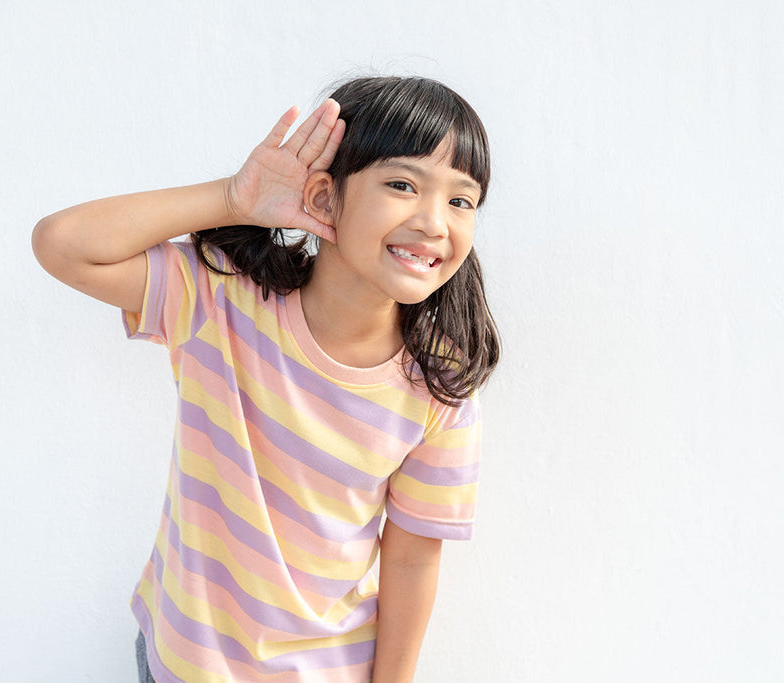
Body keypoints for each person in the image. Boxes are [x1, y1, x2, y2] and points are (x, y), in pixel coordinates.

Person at [32, 75, 500, 683]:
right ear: (325, 199)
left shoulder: (439, 382)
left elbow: (411, 561)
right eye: (403, 184)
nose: (435, 222)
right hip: (180, 661)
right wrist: (234, 197)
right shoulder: (220, 298)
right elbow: (63, 245)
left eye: (461, 200)